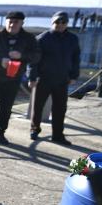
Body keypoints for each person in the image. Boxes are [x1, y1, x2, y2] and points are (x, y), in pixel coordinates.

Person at [0, 11, 41, 145]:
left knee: (6, 108)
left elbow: (36, 56)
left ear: (22, 23)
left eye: (16, 22)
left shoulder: (28, 38)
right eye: (10, 21)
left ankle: (0, 133)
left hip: (14, 79)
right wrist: (0, 61)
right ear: (6, 22)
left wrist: (21, 55)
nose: (12, 24)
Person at [28, 11, 80, 146]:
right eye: (57, 22)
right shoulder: (42, 38)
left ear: (67, 23)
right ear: (52, 22)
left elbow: (76, 59)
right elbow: (34, 61)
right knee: (37, 106)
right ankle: (34, 129)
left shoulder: (73, 39)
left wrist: (74, 75)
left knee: (60, 109)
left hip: (62, 79)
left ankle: (57, 135)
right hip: (43, 78)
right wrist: (32, 77)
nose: (60, 24)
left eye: (63, 22)